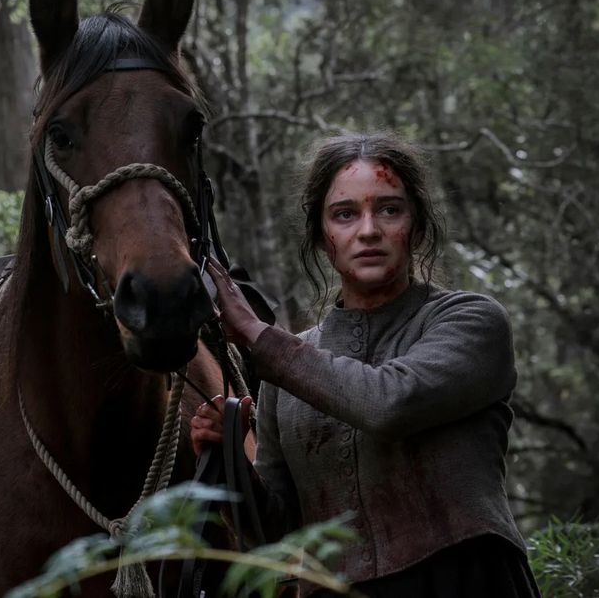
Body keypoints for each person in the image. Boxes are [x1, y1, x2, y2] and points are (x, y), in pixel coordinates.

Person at [192, 132, 540, 597]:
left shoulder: (471, 322)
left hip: (466, 581)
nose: (369, 230)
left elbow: (390, 404)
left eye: (390, 209)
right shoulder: (286, 368)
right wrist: (229, 461)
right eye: (345, 214)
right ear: (322, 236)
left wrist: (258, 337)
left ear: (415, 225)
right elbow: (279, 533)